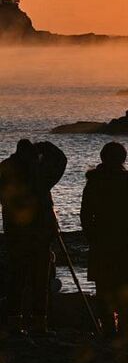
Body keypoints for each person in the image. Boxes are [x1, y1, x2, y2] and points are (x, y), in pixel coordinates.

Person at [80, 142, 128, 339]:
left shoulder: (94, 182)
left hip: (103, 241)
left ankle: (109, 327)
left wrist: (92, 236)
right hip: (127, 241)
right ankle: (125, 328)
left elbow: (85, 214)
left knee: (104, 287)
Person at [0, 139, 67, 337]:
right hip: (38, 232)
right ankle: (38, 323)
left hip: (17, 232)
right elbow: (61, 160)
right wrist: (45, 146)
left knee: (18, 277)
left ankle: (17, 322)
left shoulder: (7, 170)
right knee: (38, 279)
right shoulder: (39, 173)